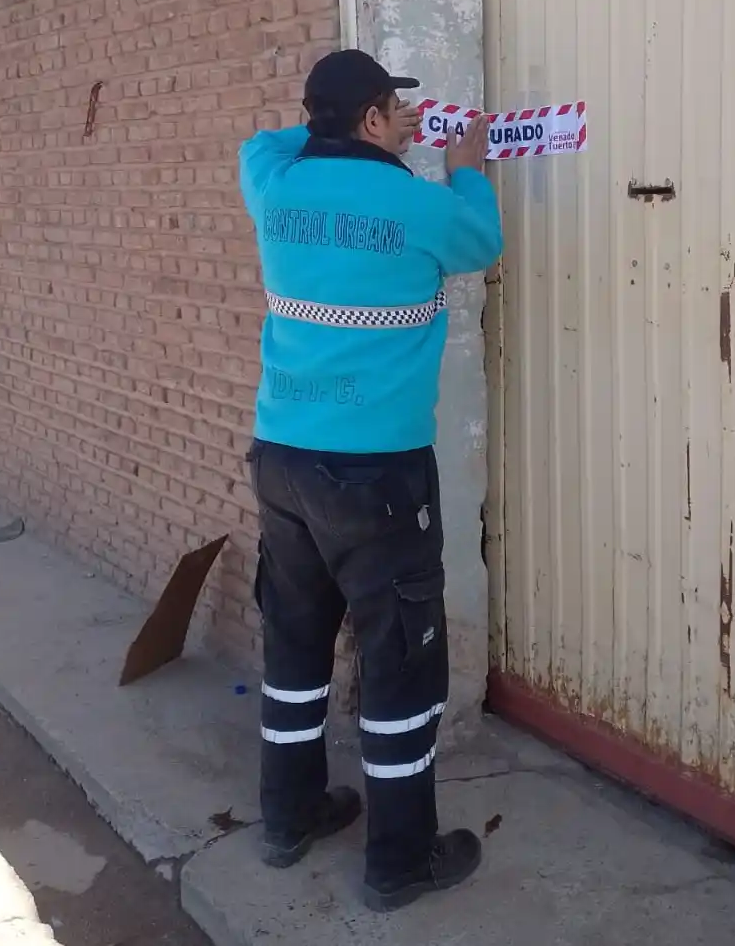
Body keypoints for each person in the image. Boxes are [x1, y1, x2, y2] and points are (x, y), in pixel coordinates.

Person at [237, 49, 502, 912]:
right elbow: (483, 239)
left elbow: (265, 142)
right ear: (375, 119)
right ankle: (399, 858)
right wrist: (465, 166)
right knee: (398, 664)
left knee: (297, 643)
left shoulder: (273, 185)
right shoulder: (419, 205)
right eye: (394, 107)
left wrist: (331, 123)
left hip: (282, 459)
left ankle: (290, 815)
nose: (404, 118)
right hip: (376, 475)